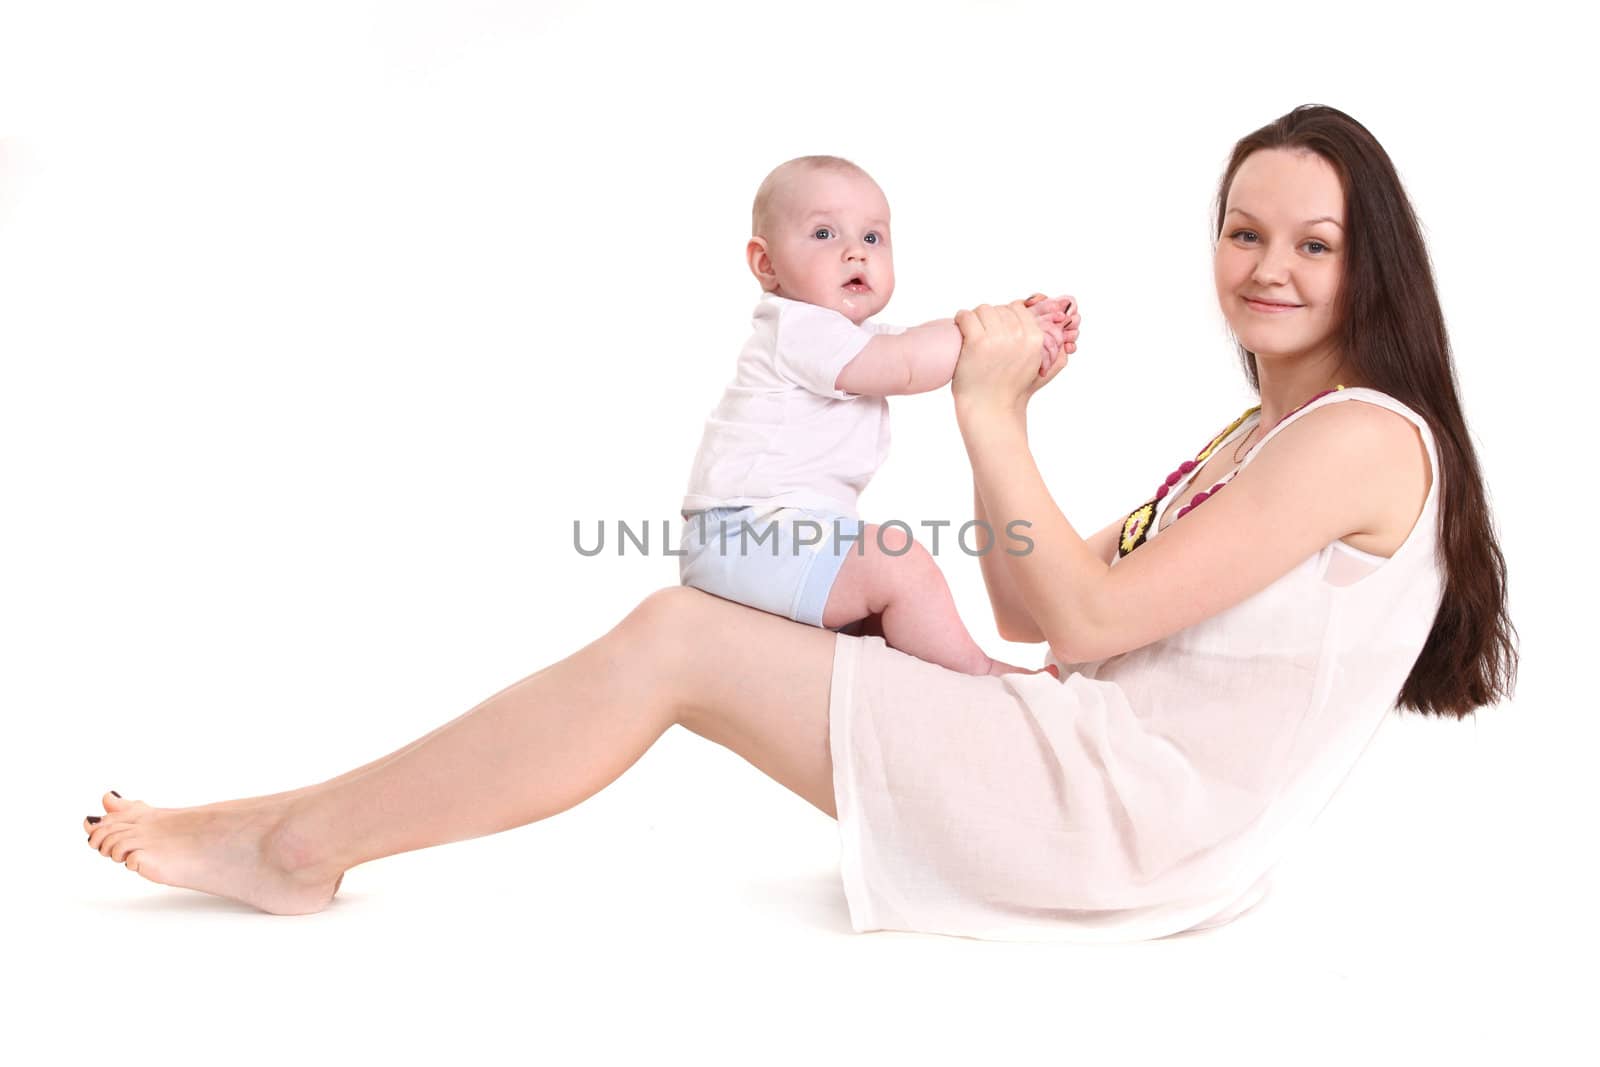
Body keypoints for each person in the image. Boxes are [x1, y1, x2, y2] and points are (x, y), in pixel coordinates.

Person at [81, 105, 1518, 941]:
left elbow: (1072, 618)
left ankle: (292, 848)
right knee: (682, 632)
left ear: (1368, 261)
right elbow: (1035, 616)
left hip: (1115, 820)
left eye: (1313, 242)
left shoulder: (1361, 438)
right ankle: (290, 827)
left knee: (676, 639)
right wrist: (989, 411)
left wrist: (991, 406)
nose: (1266, 267)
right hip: (1090, 765)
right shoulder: (1262, 437)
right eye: (1243, 230)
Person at [679, 154, 1078, 675]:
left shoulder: (852, 338)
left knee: (883, 614)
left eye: (872, 239)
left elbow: (922, 346)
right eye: (824, 234)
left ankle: (937, 678)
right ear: (766, 264)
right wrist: (1003, 330)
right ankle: (976, 672)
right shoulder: (797, 327)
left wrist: (1018, 336)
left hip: (779, 537)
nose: (854, 254)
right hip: (744, 535)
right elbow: (908, 364)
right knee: (897, 562)